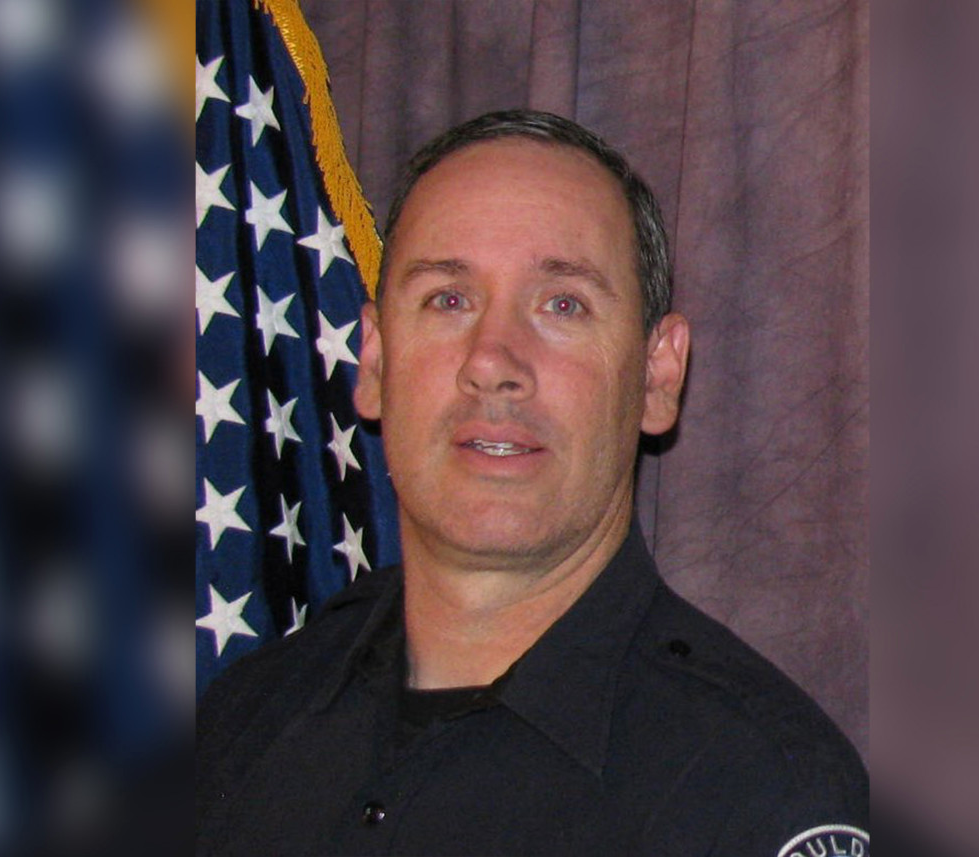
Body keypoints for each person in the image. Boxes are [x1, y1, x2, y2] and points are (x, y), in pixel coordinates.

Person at [196, 109, 869, 856]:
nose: (493, 361)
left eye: (562, 304)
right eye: (448, 299)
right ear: (377, 362)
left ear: (657, 375)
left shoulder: (759, 793)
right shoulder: (240, 725)